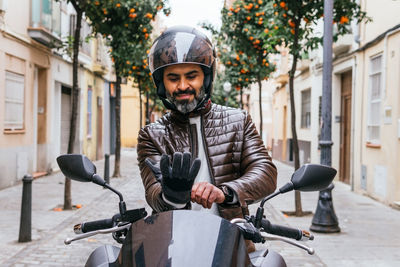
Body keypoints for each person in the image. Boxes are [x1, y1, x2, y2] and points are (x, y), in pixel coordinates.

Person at [137, 26, 277, 249]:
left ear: (207, 76)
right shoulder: (152, 134)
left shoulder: (239, 121)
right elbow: (153, 192)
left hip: (232, 245)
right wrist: (171, 195)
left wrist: (225, 192)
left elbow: (265, 173)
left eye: (191, 76)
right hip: (174, 245)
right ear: (162, 83)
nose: (183, 86)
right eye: (173, 78)